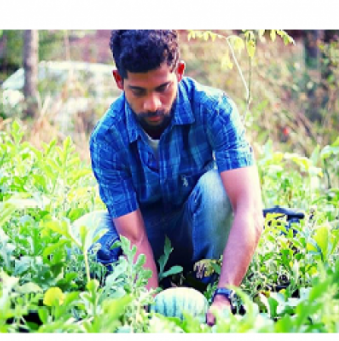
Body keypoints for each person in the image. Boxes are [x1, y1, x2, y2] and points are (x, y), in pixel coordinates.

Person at [79, 30, 264, 325]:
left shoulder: (214, 109)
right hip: (146, 239)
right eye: (138, 91)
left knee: (218, 189)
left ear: (178, 72)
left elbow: (249, 210)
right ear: (119, 81)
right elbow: (133, 236)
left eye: (162, 87)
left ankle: (207, 282)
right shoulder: (107, 138)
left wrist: (225, 295)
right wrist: (151, 310)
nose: (152, 104)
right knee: (87, 230)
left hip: (200, 231)